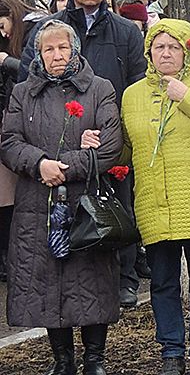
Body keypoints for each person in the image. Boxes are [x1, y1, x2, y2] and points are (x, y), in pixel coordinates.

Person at [19, 0, 147, 309]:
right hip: (56, 138)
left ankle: (126, 280)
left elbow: (137, 85)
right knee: (71, 214)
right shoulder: (50, 30)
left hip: (109, 138)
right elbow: (28, 84)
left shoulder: (125, 31)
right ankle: (76, 281)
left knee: (118, 207)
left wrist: (111, 129)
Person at [0, 20, 123, 375]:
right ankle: (62, 359)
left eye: (63, 48)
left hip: (85, 204)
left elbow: (110, 146)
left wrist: (63, 166)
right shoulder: (23, 93)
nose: (57, 55)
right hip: (38, 204)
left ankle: (95, 359)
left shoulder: (99, 89)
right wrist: (39, 163)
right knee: (48, 280)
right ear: (38, 54)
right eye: (49, 49)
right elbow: (9, 142)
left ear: (75, 50)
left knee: (91, 279)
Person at [118, 18, 190, 375]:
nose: (166, 52)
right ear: (149, 53)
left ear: (186, 51)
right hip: (155, 204)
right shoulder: (132, 94)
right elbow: (126, 149)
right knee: (162, 283)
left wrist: (185, 95)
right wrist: (98, 146)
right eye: (159, 47)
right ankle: (171, 351)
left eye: (173, 46)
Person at [0, 0, 40, 282]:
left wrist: (7, 62)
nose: (3, 33)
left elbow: (31, 74)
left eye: (2, 24)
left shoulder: (34, 30)